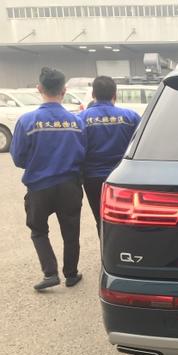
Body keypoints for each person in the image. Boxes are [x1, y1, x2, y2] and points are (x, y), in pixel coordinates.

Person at [10, 67, 86, 291]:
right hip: (69, 186)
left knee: (38, 230)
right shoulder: (77, 122)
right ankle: (71, 274)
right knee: (71, 231)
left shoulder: (27, 121)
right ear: (64, 90)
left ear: (39, 89)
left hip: (39, 186)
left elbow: (18, 157)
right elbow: (83, 153)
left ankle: (50, 273)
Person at [79, 76, 141, 231]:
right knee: (129, 218)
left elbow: (77, 150)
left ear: (93, 94)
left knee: (101, 219)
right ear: (115, 94)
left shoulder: (81, 119)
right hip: (124, 177)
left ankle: (105, 245)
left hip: (93, 178)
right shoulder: (131, 117)